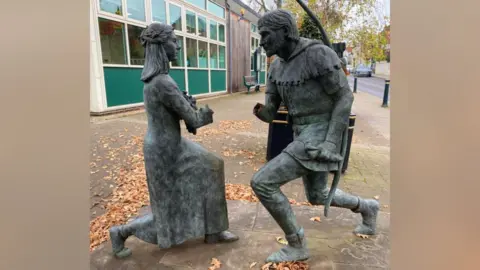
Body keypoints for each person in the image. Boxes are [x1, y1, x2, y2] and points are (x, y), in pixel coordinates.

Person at [250, 10, 379, 263]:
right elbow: (270, 112)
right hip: (301, 132)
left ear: (284, 31)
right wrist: (260, 111)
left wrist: (331, 142)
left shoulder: (317, 54)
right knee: (317, 195)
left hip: (321, 132)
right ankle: (367, 207)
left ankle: (296, 244)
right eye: (259, 34)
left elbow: (344, 96)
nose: (262, 40)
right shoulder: (276, 66)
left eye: (266, 34)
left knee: (262, 182)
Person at [109, 22, 238, 258]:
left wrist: (187, 106)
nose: (177, 45)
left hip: (173, 145)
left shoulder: (160, 80)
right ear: (160, 45)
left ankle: (214, 229)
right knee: (165, 213)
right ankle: (120, 232)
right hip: (164, 151)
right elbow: (195, 121)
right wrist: (204, 114)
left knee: (213, 165)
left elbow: (181, 115)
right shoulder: (162, 83)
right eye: (173, 41)